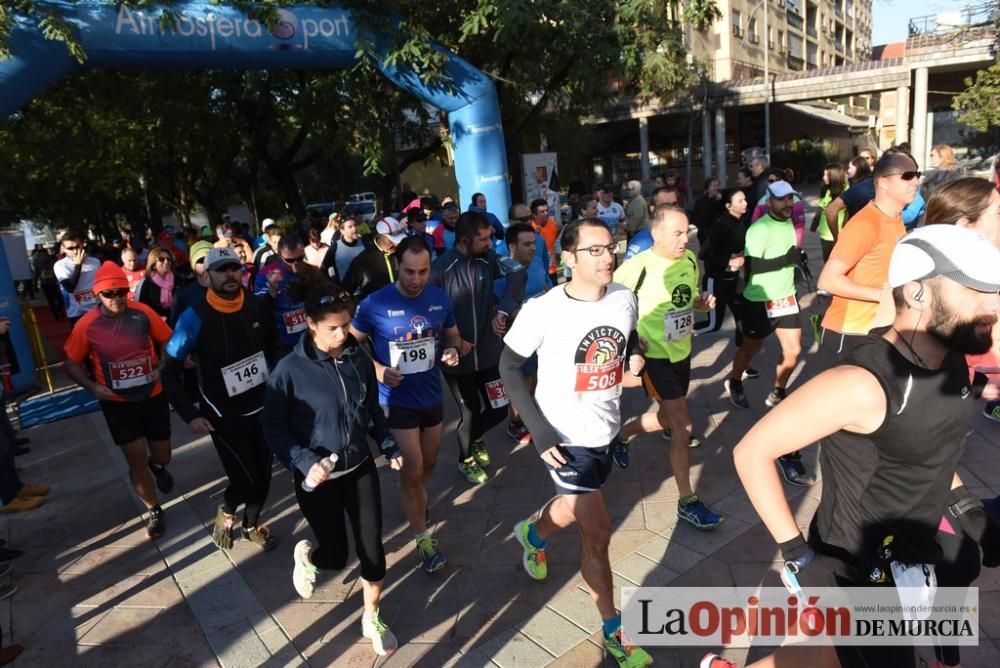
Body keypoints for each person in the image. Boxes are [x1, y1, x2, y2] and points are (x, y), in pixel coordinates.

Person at [729, 224, 1000, 668]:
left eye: (995, 290)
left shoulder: (953, 359)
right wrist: (798, 557)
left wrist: (965, 505)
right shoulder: (861, 384)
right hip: (856, 567)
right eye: (974, 289)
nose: (992, 304)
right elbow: (751, 452)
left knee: (829, 658)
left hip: (915, 545)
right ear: (916, 294)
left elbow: (930, 448)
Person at [499, 218, 652, 667]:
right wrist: (539, 430)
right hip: (565, 437)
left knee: (571, 507)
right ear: (568, 258)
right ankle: (613, 632)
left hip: (606, 428)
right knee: (599, 533)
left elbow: (627, 338)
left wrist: (634, 354)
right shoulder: (543, 309)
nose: (608, 258)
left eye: (611, 248)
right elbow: (509, 368)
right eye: (595, 251)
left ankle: (532, 533)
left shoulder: (625, 297)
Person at [261, 278, 401, 656]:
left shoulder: (357, 356)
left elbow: (371, 408)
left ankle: (371, 615)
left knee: (372, 550)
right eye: (332, 328)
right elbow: (272, 426)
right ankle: (308, 556)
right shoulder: (289, 370)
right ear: (310, 323)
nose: (342, 334)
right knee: (336, 556)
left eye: (346, 324)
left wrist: (387, 444)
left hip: (359, 468)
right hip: (316, 480)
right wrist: (305, 462)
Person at [350, 237, 463, 573]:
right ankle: (423, 538)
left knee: (427, 465)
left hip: (431, 396)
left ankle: (414, 497)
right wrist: (378, 370)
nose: (416, 279)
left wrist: (453, 349)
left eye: (423, 272)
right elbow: (350, 345)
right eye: (410, 271)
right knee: (413, 468)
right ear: (397, 266)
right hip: (394, 401)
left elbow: (453, 334)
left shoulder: (439, 299)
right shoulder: (375, 304)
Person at [163, 247, 280, 551]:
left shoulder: (257, 306)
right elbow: (169, 370)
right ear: (207, 275)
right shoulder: (194, 317)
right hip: (221, 413)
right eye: (221, 269)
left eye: (234, 268)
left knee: (264, 476)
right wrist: (190, 414)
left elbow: (275, 348)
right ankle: (227, 509)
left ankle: (251, 525)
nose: (229, 275)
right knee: (245, 480)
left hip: (264, 406)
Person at [614, 206, 722, 530]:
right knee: (682, 424)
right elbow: (610, 306)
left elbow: (685, 301)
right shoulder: (636, 268)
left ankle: (623, 434)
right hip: (654, 355)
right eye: (676, 233)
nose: (684, 239)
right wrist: (631, 342)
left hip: (682, 351)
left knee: (669, 416)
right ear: (656, 233)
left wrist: (700, 304)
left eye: (686, 232)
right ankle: (687, 501)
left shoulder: (689, 261)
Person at [64, 262, 174, 538]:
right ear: (98, 295)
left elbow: (169, 341)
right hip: (117, 402)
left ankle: (158, 466)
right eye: (110, 294)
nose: (117, 298)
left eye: (122, 292)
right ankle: (153, 509)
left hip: (153, 395)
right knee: (135, 458)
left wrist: (162, 366)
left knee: (163, 454)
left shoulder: (143, 313)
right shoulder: (86, 325)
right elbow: (71, 362)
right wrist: (91, 386)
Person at [721, 181, 809, 485]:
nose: (788, 204)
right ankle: (734, 380)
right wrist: (787, 259)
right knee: (751, 349)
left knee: (794, 351)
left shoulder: (788, 224)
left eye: (790, 199)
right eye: (782, 200)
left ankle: (777, 391)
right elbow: (754, 266)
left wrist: (797, 260)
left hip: (786, 298)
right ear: (769, 201)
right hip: (760, 299)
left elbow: (788, 255)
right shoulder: (758, 229)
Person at [431, 212, 516, 484]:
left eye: (490, 236)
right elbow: (429, 314)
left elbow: (517, 274)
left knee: (500, 408)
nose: (490, 243)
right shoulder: (439, 269)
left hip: (489, 354)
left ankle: (476, 437)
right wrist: (452, 341)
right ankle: (465, 458)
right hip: (459, 359)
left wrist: (502, 311)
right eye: (483, 239)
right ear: (466, 240)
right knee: (469, 411)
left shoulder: (488, 259)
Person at [817, 152, 916, 360]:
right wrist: (882, 295)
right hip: (850, 332)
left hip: (877, 328)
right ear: (883, 183)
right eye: (907, 176)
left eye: (917, 174)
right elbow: (827, 280)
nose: (915, 181)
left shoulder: (894, 219)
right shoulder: (866, 223)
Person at [494, 222, 552, 445]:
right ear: (512, 247)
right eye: (527, 244)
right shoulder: (501, 272)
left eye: (534, 243)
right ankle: (515, 423)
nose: (533, 248)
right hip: (517, 336)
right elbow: (500, 306)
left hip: (544, 332)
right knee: (523, 380)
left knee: (539, 376)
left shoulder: (537, 263)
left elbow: (547, 289)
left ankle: (533, 414)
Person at [694, 188, 748, 338]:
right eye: (740, 201)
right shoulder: (720, 226)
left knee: (744, 318)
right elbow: (703, 254)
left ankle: (742, 354)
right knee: (713, 325)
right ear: (728, 206)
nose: (745, 203)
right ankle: (679, 335)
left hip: (734, 280)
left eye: (745, 199)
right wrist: (729, 261)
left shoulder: (741, 223)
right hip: (716, 281)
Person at [255, 235, 315, 356]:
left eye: (299, 258)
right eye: (290, 261)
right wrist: (271, 291)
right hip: (283, 344)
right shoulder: (265, 274)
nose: (295, 266)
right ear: (279, 256)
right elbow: (258, 310)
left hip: (311, 338)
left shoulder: (311, 271)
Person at [342, 217, 404, 301]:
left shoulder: (404, 252)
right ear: (379, 237)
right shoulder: (362, 260)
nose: (396, 244)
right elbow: (346, 291)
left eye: (398, 240)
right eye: (392, 240)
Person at [55, 233, 102, 327]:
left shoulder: (95, 262)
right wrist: (78, 265)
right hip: (77, 313)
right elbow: (70, 287)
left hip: (98, 309)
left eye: (77, 246)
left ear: (82, 244)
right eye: (70, 248)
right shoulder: (60, 265)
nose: (75, 251)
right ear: (63, 249)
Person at [625, 187, 681, 259]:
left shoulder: (682, 238)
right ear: (653, 209)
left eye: (674, 204)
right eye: (666, 205)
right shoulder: (641, 244)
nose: (673, 209)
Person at [167, 241, 213, 328]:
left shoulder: (230, 289)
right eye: (201, 260)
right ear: (193, 265)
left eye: (210, 259)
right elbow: (177, 327)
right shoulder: (182, 295)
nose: (207, 264)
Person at [320, 216, 368, 285]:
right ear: (342, 231)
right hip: (347, 292)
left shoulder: (364, 243)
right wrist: (333, 286)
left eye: (355, 225)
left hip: (366, 290)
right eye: (350, 227)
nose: (354, 228)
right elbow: (323, 269)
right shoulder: (335, 247)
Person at [816, 163, 849, 261]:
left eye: (826, 175)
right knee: (827, 262)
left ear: (834, 176)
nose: (824, 177)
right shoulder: (826, 189)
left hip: (839, 235)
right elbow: (821, 207)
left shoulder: (846, 191)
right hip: (825, 234)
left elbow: (848, 212)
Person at [137, 246, 177, 320]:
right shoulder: (146, 283)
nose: (166, 261)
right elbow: (141, 307)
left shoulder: (177, 279)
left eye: (168, 259)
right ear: (153, 264)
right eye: (161, 259)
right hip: (153, 322)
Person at [529, 198, 559, 281]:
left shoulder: (553, 224)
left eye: (547, 210)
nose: (546, 213)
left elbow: (555, 241)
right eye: (542, 212)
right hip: (536, 270)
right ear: (534, 215)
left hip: (552, 269)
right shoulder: (530, 229)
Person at [34, 246, 64, 319]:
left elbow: (36, 273)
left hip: (45, 284)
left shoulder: (37, 261)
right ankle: (60, 311)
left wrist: (35, 284)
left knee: (50, 300)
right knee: (59, 298)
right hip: (54, 282)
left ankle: (56, 315)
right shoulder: (52, 259)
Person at [692, 177, 723, 245]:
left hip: (719, 231)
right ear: (707, 188)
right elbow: (698, 216)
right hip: (704, 233)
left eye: (718, 185)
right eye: (713, 185)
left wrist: (720, 201)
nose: (716, 187)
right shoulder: (700, 202)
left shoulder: (722, 200)